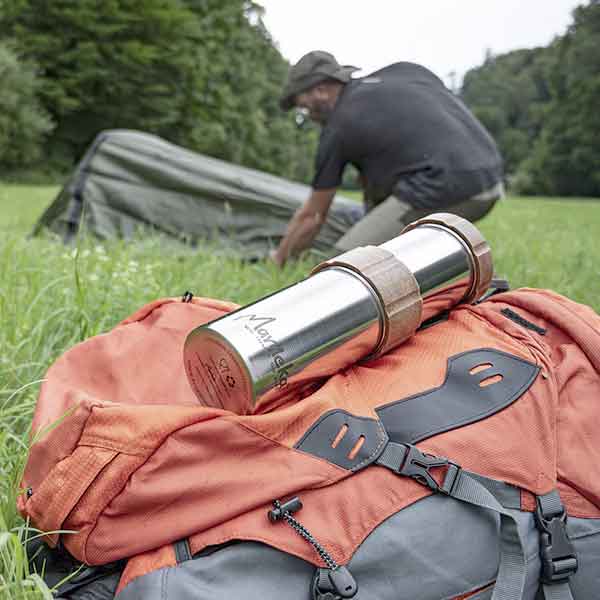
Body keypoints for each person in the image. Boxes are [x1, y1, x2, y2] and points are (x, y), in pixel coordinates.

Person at [272, 50, 504, 266]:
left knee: (344, 267)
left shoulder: (339, 125)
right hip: (491, 178)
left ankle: (464, 288)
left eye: (304, 108)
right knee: (390, 237)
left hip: (446, 187)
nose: (308, 116)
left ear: (320, 91)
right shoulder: (405, 71)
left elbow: (313, 216)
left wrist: (279, 260)